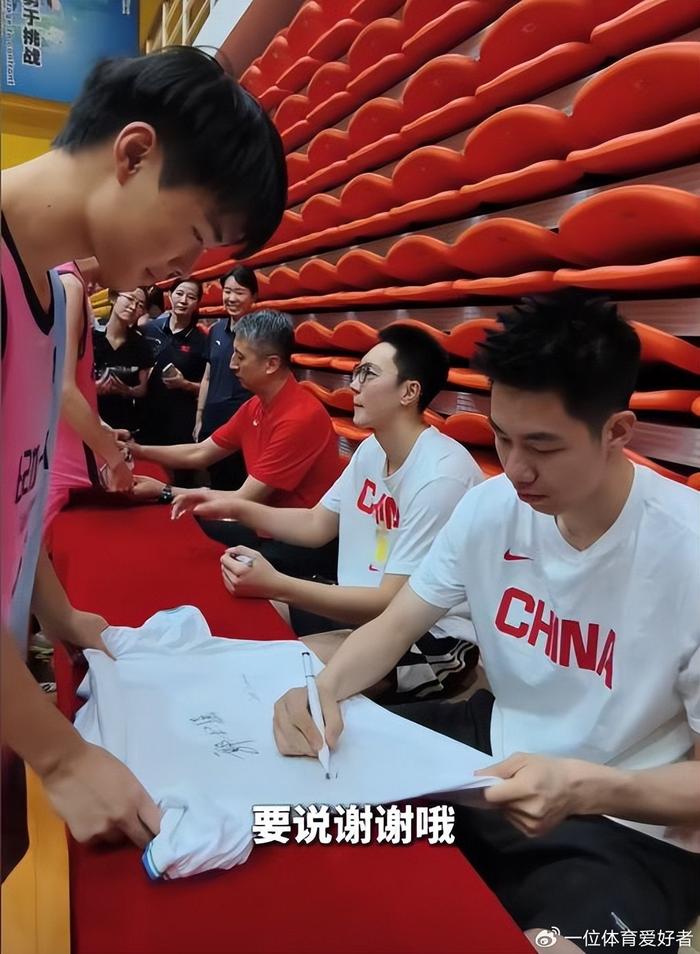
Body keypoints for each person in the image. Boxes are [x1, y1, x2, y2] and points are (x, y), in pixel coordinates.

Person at [273, 292, 700, 949]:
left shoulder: (687, 550)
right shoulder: (489, 508)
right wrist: (323, 691)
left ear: (617, 432)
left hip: (627, 823)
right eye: (503, 436)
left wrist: (588, 788)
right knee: (294, 806)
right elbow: (395, 626)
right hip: (485, 752)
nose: (517, 468)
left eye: (543, 446)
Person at [1, 44, 286, 878]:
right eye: (195, 236)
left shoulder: (51, 297)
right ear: (133, 154)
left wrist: (58, 617)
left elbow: (13, 504)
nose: (186, 272)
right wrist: (60, 756)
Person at [175, 324, 483, 700]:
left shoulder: (440, 478)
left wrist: (278, 584)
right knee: (245, 617)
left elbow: (391, 603)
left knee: (273, 672)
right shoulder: (371, 449)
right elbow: (316, 523)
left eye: (368, 374)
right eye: (356, 373)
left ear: (409, 391)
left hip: (430, 637)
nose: (354, 386)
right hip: (363, 610)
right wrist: (237, 507)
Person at [129, 310, 343, 580]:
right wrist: (137, 450)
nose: (231, 365)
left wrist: (164, 491)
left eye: (240, 357)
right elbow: (201, 452)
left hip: (297, 545)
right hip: (265, 528)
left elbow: (244, 499)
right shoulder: (256, 405)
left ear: (271, 364)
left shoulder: (300, 418)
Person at [44, 261, 135, 532]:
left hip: (57, 457)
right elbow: (63, 390)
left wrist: (100, 430)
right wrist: (114, 460)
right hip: (58, 464)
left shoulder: (68, 282)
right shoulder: (69, 285)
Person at [194, 265, 258, 490]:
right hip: (213, 420)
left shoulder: (261, 335)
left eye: (239, 292)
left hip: (244, 424)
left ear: (253, 296)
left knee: (238, 485)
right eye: (227, 291)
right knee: (216, 481)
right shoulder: (215, 330)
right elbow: (208, 376)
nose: (231, 298)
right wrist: (199, 417)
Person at [140, 278, 208, 487]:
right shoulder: (148, 330)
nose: (183, 300)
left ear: (197, 303)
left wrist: (185, 384)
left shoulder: (201, 342)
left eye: (191, 297)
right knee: (147, 476)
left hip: (181, 422)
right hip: (148, 418)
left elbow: (207, 386)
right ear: (170, 295)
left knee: (181, 482)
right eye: (179, 293)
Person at [93, 287, 154, 436]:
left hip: (124, 425)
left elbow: (142, 390)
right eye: (130, 298)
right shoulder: (90, 337)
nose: (133, 307)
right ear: (114, 297)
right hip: (90, 422)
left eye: (140, 305)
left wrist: (127, 390)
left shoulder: (141, 345)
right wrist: (92, 388)